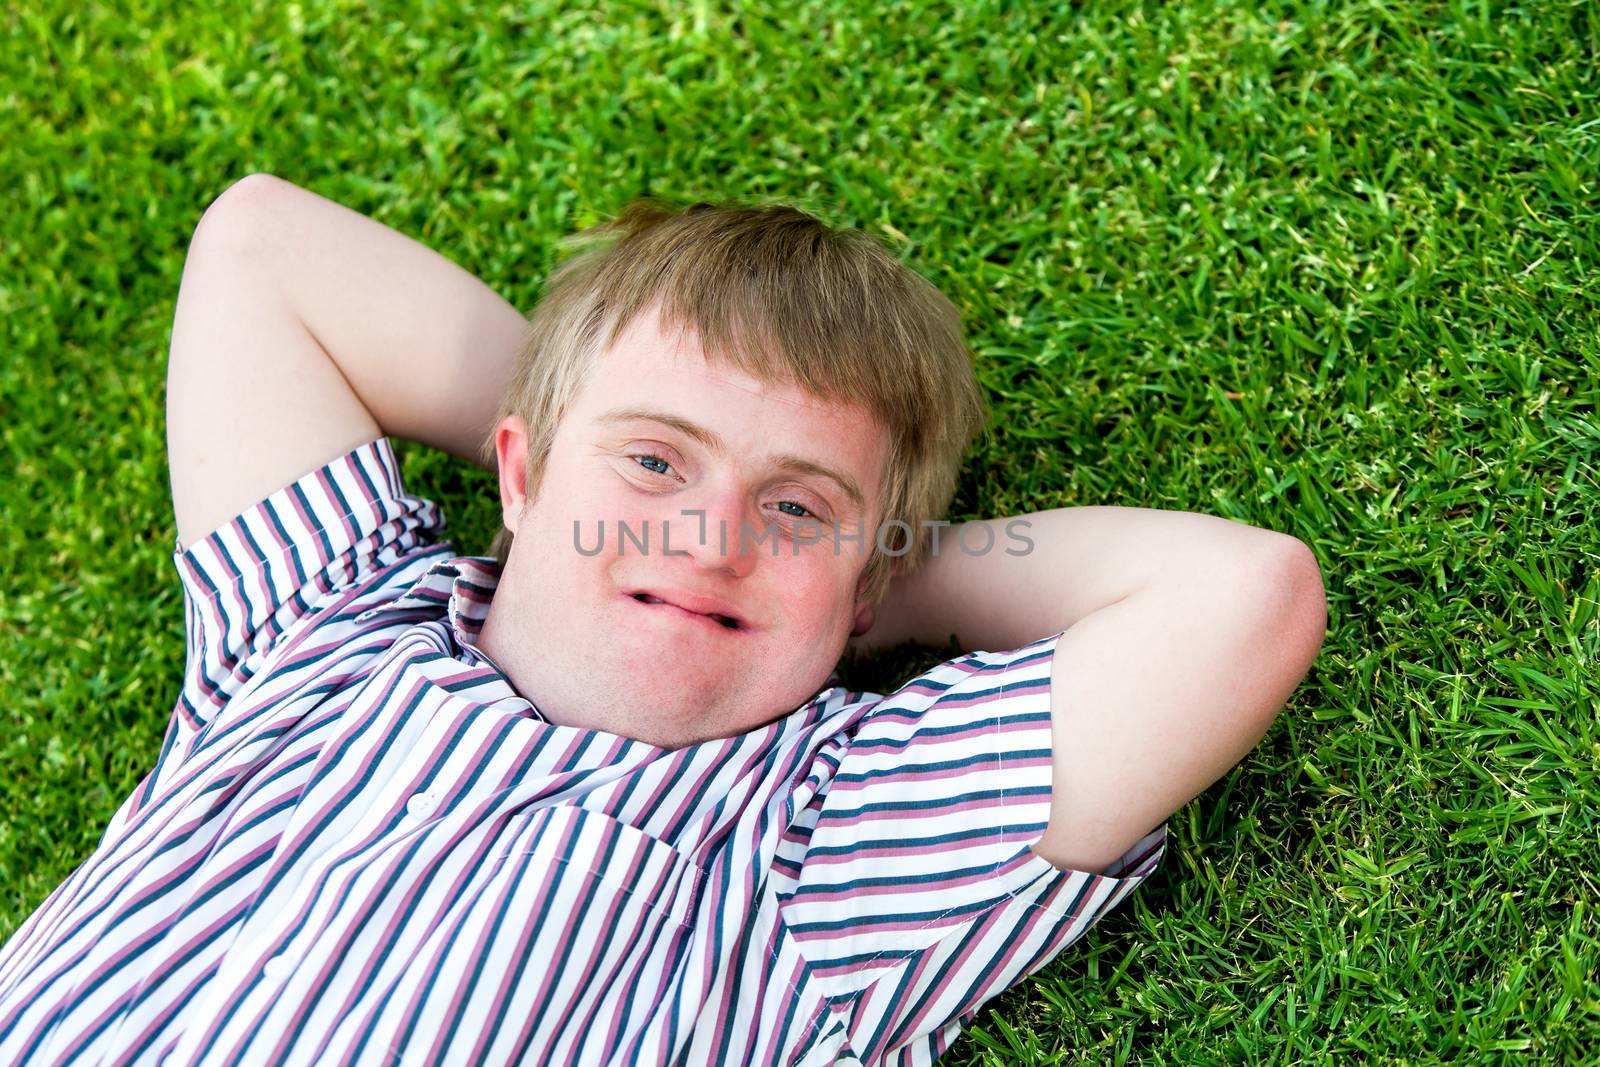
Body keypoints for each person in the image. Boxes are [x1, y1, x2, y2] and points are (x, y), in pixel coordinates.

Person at [0, 174, 1327, 1065]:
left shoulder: (831, 847)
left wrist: (887, 575)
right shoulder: (316, 635)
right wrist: (575, 460)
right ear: (516, 472)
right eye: (656, 463)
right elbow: (264, 242)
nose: (714, 539)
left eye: (797, 509)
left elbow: (1240, 598)